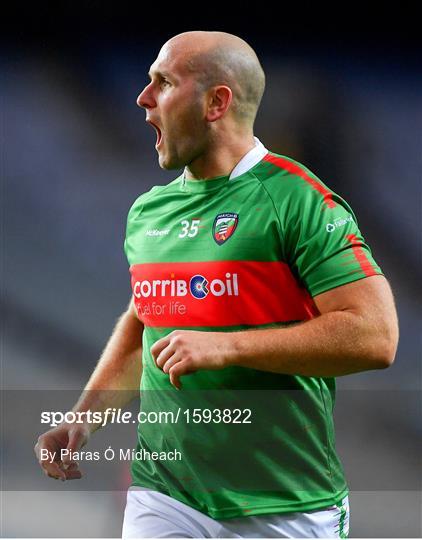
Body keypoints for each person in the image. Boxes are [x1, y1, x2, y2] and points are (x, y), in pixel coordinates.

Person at [35, 31, 399, 538]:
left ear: (216, 102)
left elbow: (375, 337)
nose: (143, 100)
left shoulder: (299, 201)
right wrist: (83, 418)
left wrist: (228, 346)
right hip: (163, 497)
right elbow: (146, 324)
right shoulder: (148, 213)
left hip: (284, 505)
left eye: (162, 82)